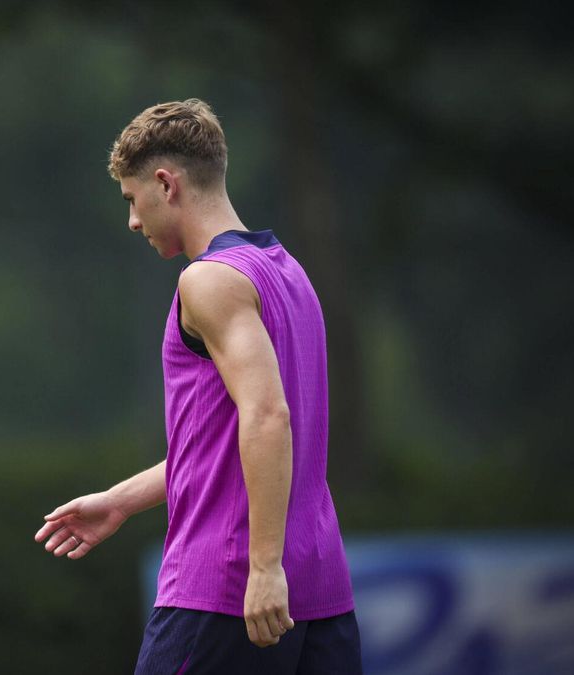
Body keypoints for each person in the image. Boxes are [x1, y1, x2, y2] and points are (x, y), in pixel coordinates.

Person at [33, 99, 361, 674]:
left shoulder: (208, 281)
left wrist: (263, 566)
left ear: (166, 184)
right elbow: (223, 441)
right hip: (317, 592)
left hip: (229, 589)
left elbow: (267, 417)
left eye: (132, 199)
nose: (133, 221)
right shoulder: (289, 271)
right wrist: (120, 502)